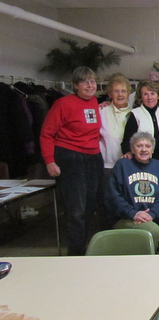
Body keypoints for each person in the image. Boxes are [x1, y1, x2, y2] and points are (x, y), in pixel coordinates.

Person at [40, 66, 103, 255]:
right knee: (76, 210)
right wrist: (50, 161)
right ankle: (75, 253)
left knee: (90, 206)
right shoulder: (62, 104)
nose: (90, 85)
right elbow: (46, 134)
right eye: (85, 82)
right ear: (75, 85)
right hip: (70, 157)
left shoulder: (94, 102)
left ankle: (84, 246)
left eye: (92, 81)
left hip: (93, 157)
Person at [106, 131, 159, 249]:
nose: (144, 150)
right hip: (125, 218)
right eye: (139, 146)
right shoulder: (123, 165)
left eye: (148, 146)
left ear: (152, 149)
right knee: (153, 230)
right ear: (132, 149)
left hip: (149, 218)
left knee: (151, 228)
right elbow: (113, 196)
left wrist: (151, 214)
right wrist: (133, 214)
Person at [97, 75, 132, 229]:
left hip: (129, 167)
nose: (120, 94)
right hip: (107, 166)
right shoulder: (100, 111)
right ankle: (107, 237)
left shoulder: (135, 113)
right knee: (106, 204)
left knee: (128, 203)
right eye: (116, 91)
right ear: (109, 94)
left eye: (123, 91)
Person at [121, 80, 159, 163]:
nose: (149, 97)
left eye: (152, 93)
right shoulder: (135, 115)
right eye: (145, 94)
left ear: (158, 96)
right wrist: (128, 152)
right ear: (141, 97)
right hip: (141, 163)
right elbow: (127, 141)